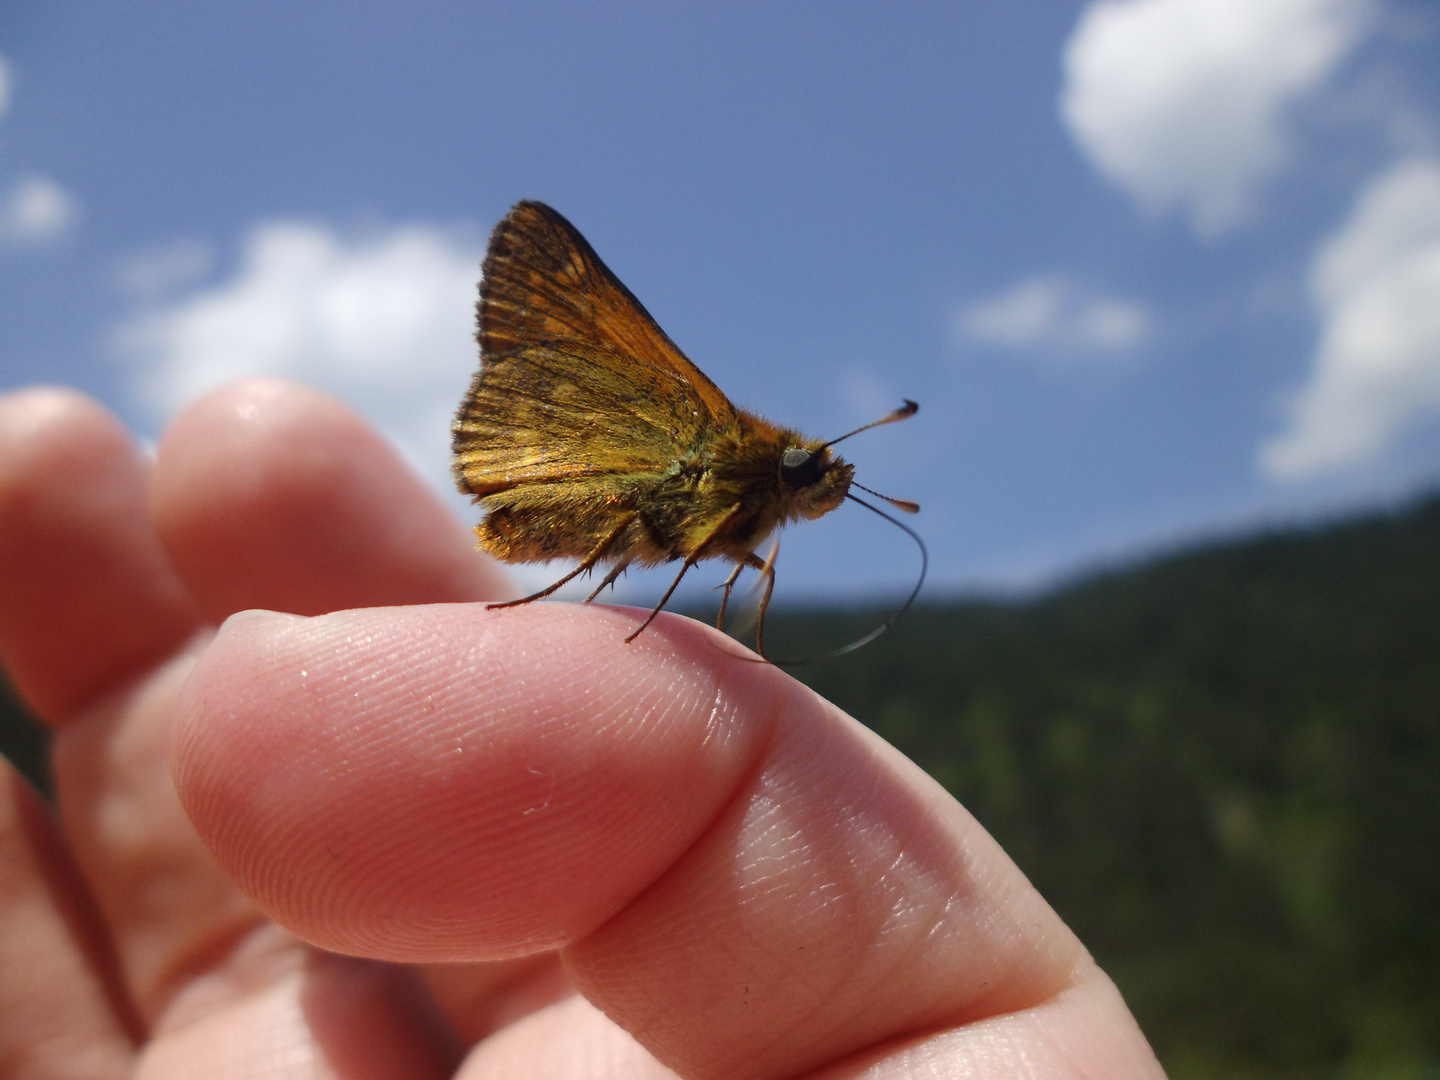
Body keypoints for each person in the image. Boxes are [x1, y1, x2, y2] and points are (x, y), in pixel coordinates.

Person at [0, 379, 1166, 1079]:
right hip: (565, 485)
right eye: (816, 473)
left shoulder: (750, 510)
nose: (820, 488)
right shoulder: (730, 465)